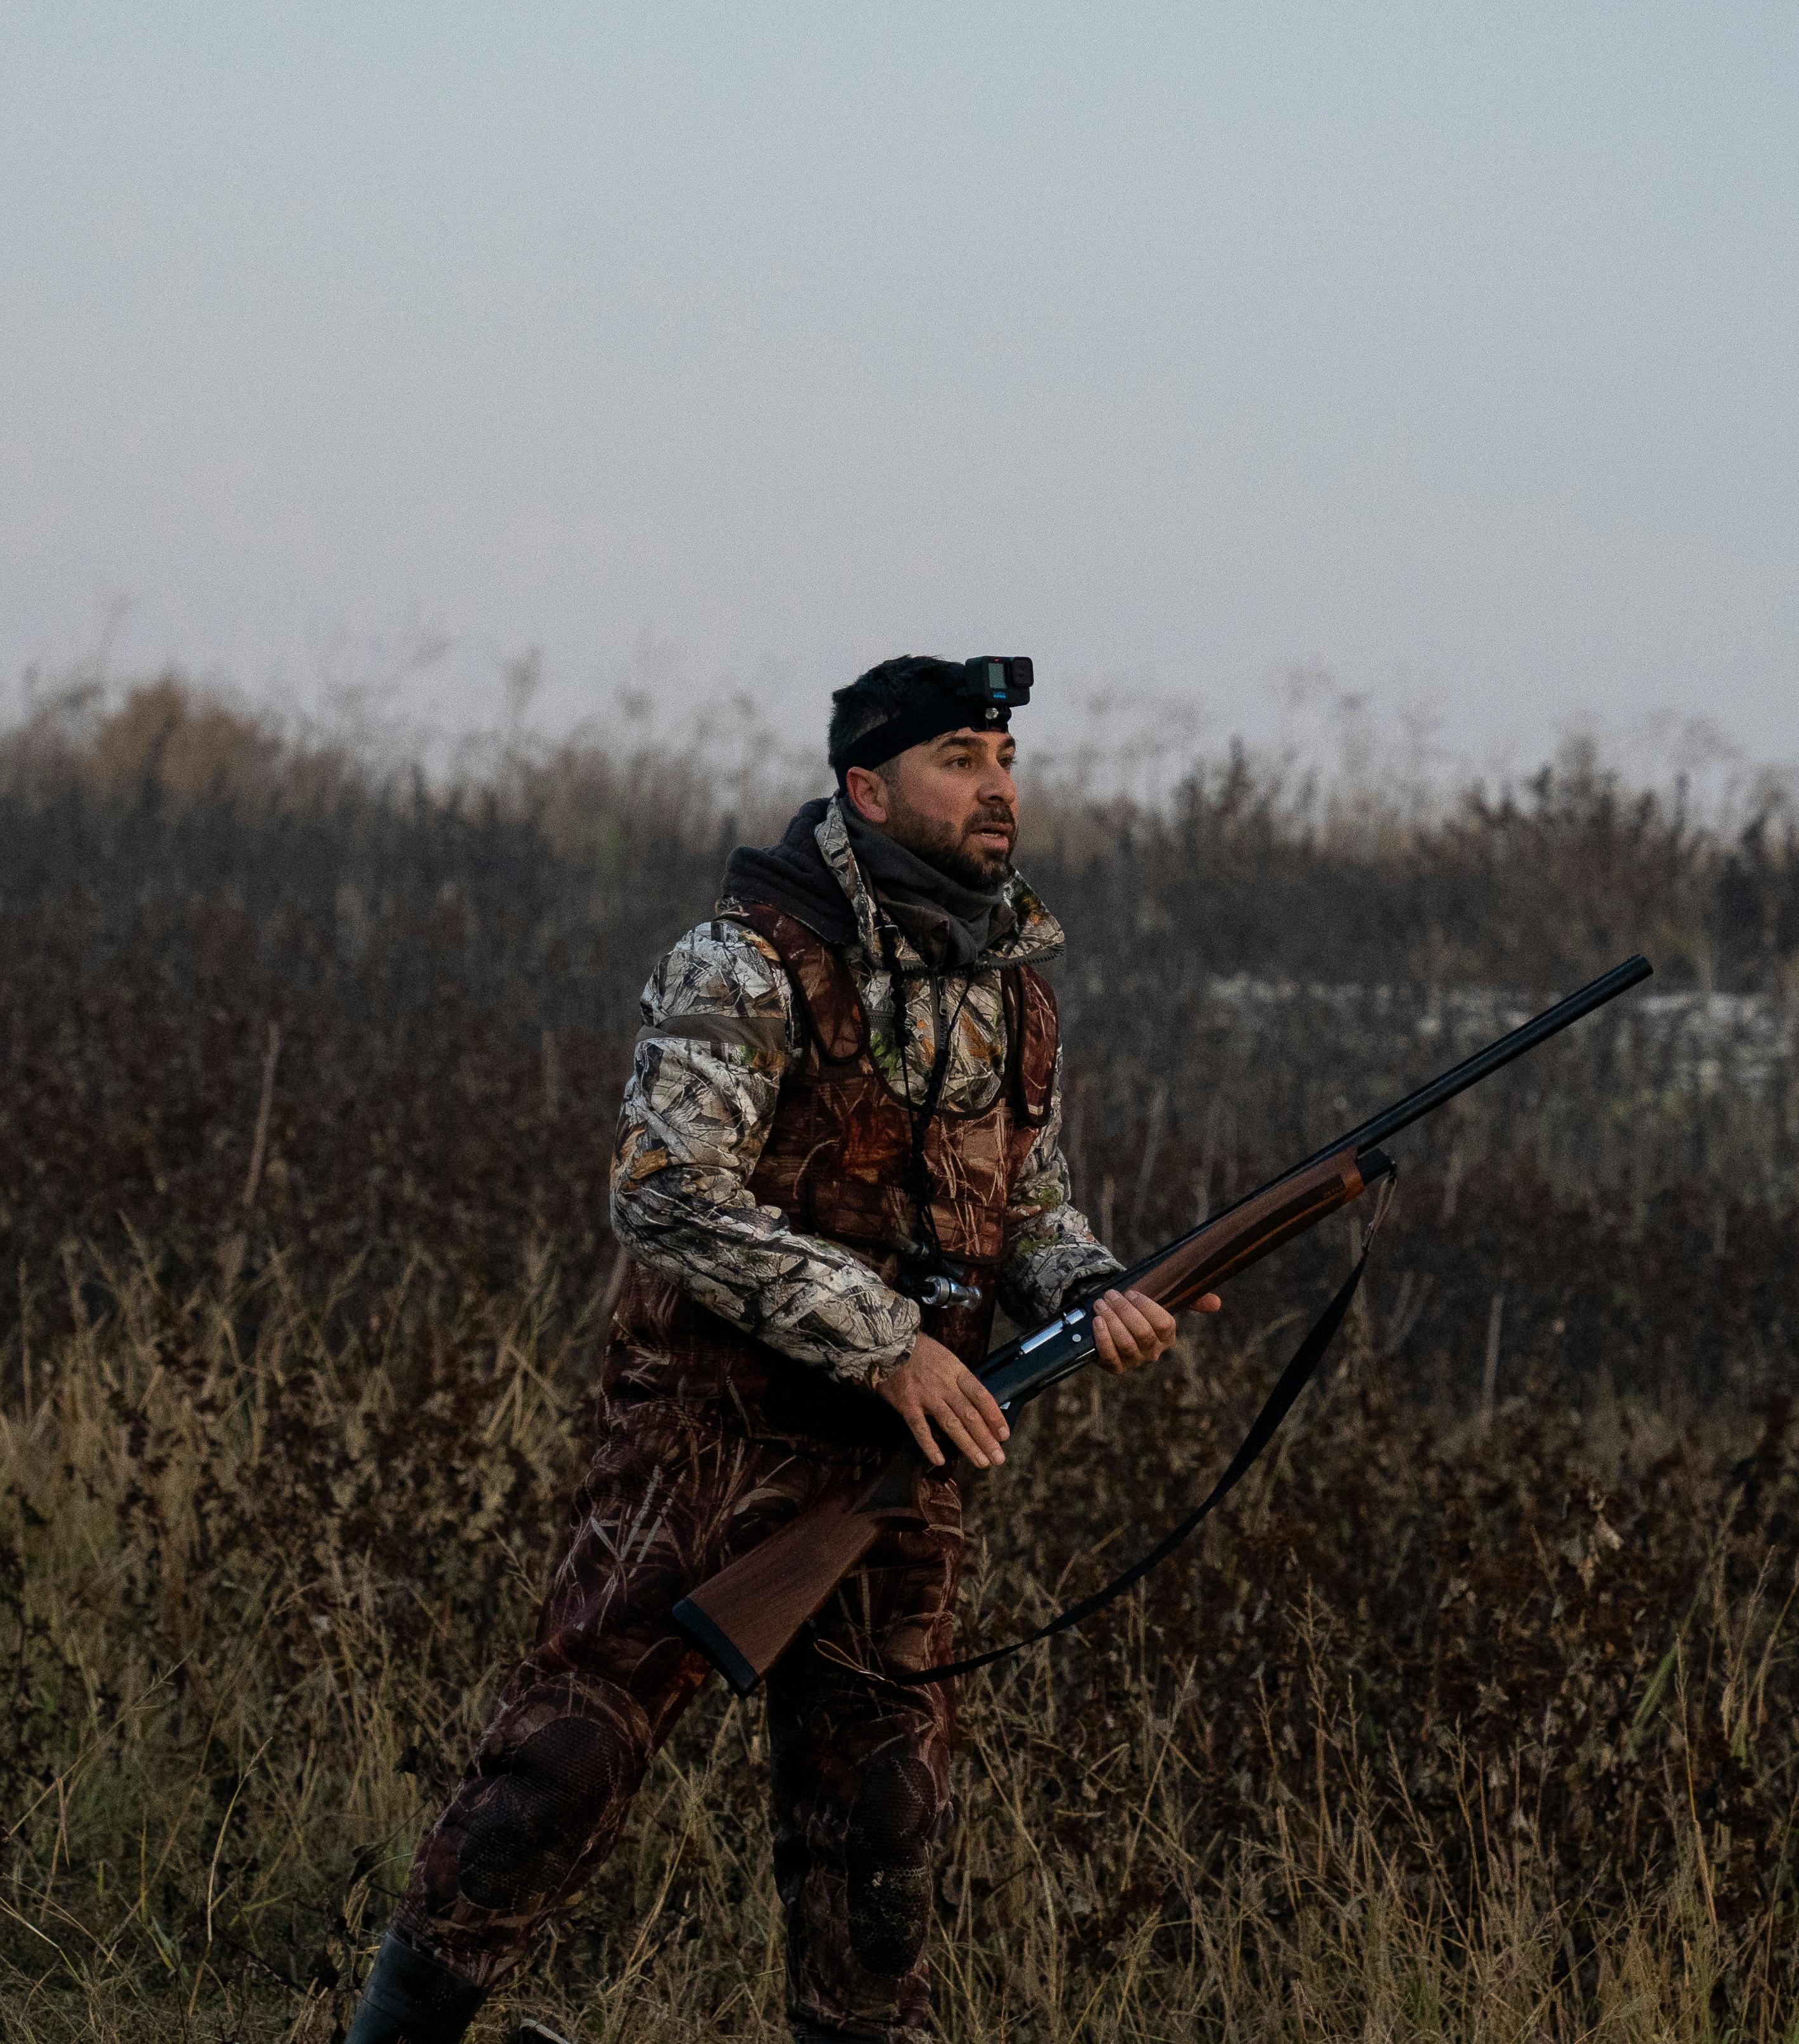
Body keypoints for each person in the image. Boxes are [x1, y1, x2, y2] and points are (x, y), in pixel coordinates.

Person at [346, 655, 1210, 2044]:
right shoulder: (744, 958)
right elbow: (667, 1187)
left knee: (882, 1812)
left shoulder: (1010, 989)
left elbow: (1027, 1197)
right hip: (709, 1439)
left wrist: (1095, 1285)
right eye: (959, 758)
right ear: (865, 788)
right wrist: (887, 1341)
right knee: (563, 1761)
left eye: (1004, 756)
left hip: (905, 1459)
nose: (998, 785)